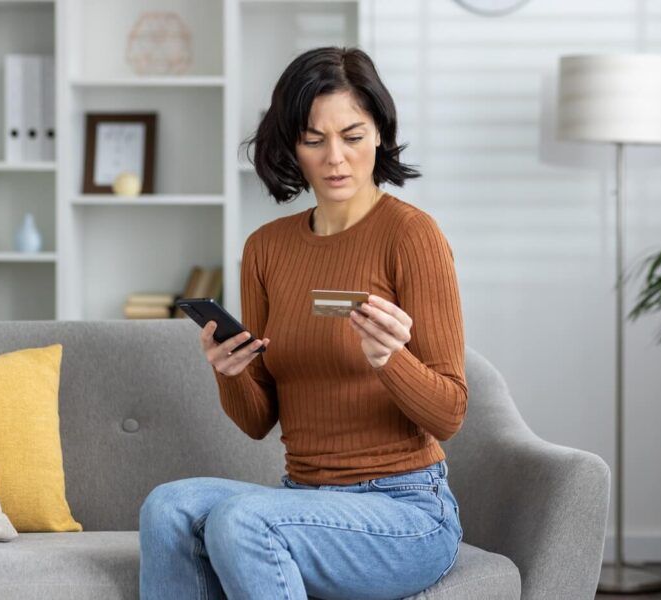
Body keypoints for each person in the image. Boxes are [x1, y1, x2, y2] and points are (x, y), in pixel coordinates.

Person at [139, 46, 467, 600]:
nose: (335, 158)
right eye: (315, 140)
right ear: (293, 145)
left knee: (242, 519)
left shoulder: (413, 236)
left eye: (352, 136)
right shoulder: (267, 248)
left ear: (380, 134)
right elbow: (258, 420)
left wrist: (391, 360)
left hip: (406, 509)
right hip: (305, 498)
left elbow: (450, 413)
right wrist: (230, 370)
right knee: (167, 506)